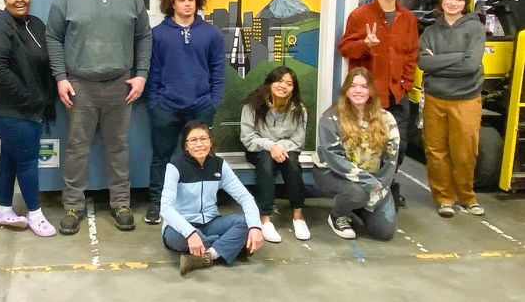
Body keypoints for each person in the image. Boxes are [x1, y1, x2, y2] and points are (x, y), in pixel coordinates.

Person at [46, 0, 152, 235]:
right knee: (77, 148)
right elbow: (53, 37)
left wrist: (141, 73)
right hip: (80, 85)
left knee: (119, 147)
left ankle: (121, 203)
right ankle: (73, 206)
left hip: (121, 85)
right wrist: (60, 78)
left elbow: (144, 36)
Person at [0, 0, 57, 237]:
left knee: (9, 155)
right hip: (7, 107)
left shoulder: (34, 25)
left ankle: (4, 210)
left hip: (29, 105)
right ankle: (35, 214)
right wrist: (31, 98)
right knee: (26, 158)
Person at [144, 0, 225, 225]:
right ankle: (157, 203)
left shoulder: (211, 33)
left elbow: (218, 69)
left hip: (201, 106)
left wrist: (213, 101)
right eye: (182, 0)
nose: (187, 4)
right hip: (165, 108)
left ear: (197, 2)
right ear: (172, 3)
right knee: (162, 157)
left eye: (191, 0)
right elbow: (152, 70)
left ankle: (200, 205)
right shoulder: (158, 35)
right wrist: (155, 103)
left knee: (200, 157)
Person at [339, 0, 418, 207]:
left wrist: (406, 82)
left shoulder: (408, 19)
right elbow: (345, 48)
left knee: (398, 146)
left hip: (397, 94)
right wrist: (366, 45)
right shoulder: (360, 16)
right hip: (369, 96)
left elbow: (412, 53)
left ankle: (387, 186)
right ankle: (366, 191)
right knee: (365, 145)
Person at [418, 0, 486, 218]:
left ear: (465, 4)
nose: (453, 3)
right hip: (436, 98)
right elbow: (424, 63)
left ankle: (468, 197)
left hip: (466, 98)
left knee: (465, 151)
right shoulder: (430, 32)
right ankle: (444, 198)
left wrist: (440, 62)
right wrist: (457, 58)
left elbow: (471, 65)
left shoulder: (475, 28)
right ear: (442, 1)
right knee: (436, 151)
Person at [161, 121, 264, 276]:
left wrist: (256, 227)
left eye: (204, 139)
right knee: (180, 238)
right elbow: (166, 208)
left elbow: (244, 197)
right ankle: (227, 246)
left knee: (245, 223)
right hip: (180, 227)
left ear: (210, 141)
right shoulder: (175, 167)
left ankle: (208, 255)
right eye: (193, 140)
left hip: (211, 222)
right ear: (185, 146)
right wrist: (190, 233)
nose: (200, 144)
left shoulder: (219, 165)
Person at [312, 67, 399, 241]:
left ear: (371, 91)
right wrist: (369, 184)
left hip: (372, 179)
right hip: (332, 173)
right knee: (357, 193)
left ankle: (357, 205)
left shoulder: (386, 118)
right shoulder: (331, 117)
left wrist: (379, 187)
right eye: (353, 86)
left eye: (364, 86)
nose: (358, 90)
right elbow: (332, 157)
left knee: (384, 231)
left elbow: (391, 160)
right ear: (346, 90)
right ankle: (338, 215)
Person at [240, 66, 309, 243]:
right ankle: (265, 218)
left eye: (289, 83)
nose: (283, 86)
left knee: (293, 163)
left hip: (286, 150)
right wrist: (271, 146)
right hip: (258, 150)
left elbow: (298, 141)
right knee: (265, 161)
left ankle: (298, 216)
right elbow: (247, 138)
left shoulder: (299, 110)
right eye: (279, 81)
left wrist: (279, 147)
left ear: (294, 89)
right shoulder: (252, 105)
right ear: (270, 83)